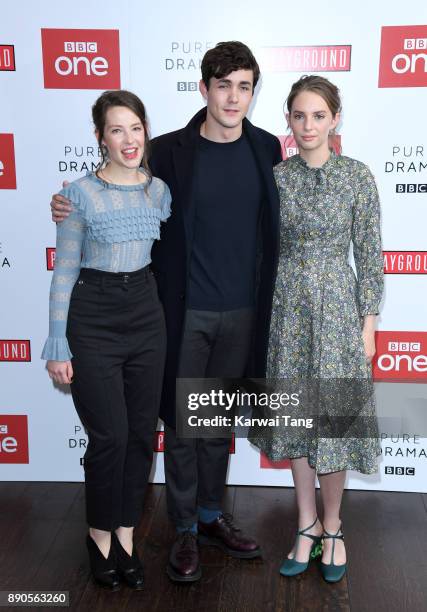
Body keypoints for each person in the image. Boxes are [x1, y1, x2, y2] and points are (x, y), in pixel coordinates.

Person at [51, 41, 282, 583]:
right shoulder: (167, 151)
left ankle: (209, 515)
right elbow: (113, 188)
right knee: (181, 426)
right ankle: (181, 530)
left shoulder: (268, 149)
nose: (232, 96)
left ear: (252, 92)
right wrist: (64, 205)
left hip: (244, 311)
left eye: (243, 86)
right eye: (222, 85)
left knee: (217, 423)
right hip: (180, 311)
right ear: (203, 89)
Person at [250, 75, 383, 583]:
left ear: (335, 119)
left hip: (338, 318)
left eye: (318, 116)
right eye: (299, 116)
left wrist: (368, 324)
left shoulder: (357, 176)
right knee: (297, 421)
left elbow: (369, 256)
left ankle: (334, 526)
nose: (308, 125)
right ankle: (304, 525)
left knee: (334, 423)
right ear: (288, 119)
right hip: (287, 312)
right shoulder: (277, 178)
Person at [43, 90, 171, 590]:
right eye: (116, 129)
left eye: (135, 127)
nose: (128, 139)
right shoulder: (77, 194)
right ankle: (99, 535)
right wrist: (58, 341)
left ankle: (126, 533)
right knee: (110, 436)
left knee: (141, 435)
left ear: (145, 131)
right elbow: (65, 270)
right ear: (100, 137)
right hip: (92, 316)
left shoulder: (158, 191)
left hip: (145, 311)